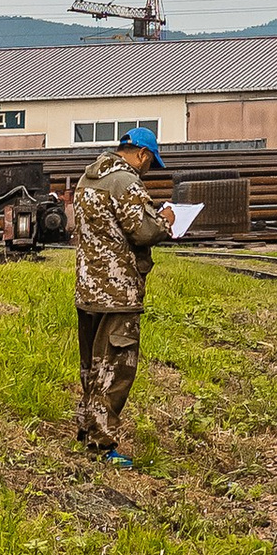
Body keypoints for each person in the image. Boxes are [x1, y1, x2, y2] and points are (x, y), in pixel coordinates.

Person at [67, 125, 176, 462]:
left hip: (88, 288)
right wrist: (166, 220)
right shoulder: (126, 182)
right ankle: (102, 445)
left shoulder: (88, 179)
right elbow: (143, 232)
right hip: (118, 292)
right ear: (142, 154)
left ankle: (87, 431)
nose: (148, 169)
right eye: (150, 162)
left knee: (92, 367)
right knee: (115, 369)